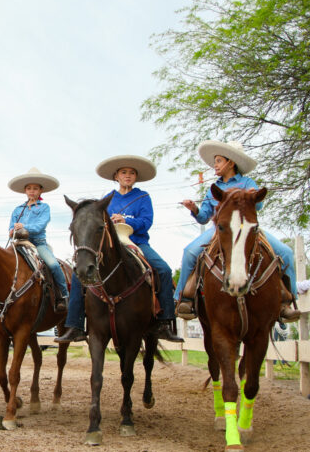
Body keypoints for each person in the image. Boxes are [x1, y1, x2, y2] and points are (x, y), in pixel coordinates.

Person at [56, 155, 183, 343]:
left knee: (163, 269)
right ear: (116, 176)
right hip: (111, 245)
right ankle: (75, 325)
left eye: (132, 173)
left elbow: (146, 222)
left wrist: (126, 220)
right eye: (124, 172)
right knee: (78, 275)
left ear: (136, 177)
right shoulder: (107, 200)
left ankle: (165, 323)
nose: (128, 176)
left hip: (137, 242)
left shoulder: (142, 197)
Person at [174, 140, 300, 322]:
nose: (214, 165)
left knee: (286, 253)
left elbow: (260, 205)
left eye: (218, 161)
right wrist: (193, 208)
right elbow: (204, 217)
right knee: (190, 252)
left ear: (230, 162)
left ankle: (286, 302)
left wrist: (251, 195)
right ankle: (184, 299)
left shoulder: (248, 182)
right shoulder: (214, 189)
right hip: (222, 230)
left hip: (248, 229)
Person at [7, 167, 68, 312]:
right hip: (18, 244)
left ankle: (63, 295)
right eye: (29, 188)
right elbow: (10, 228)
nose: (32, 191)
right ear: (25, 191)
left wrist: (23, 226)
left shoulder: (44, 207)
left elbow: (40, 226)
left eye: (35, 188)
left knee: (53, 265)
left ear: (41, 191)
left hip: (38, 244)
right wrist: (11, 231)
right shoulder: (17, 209)